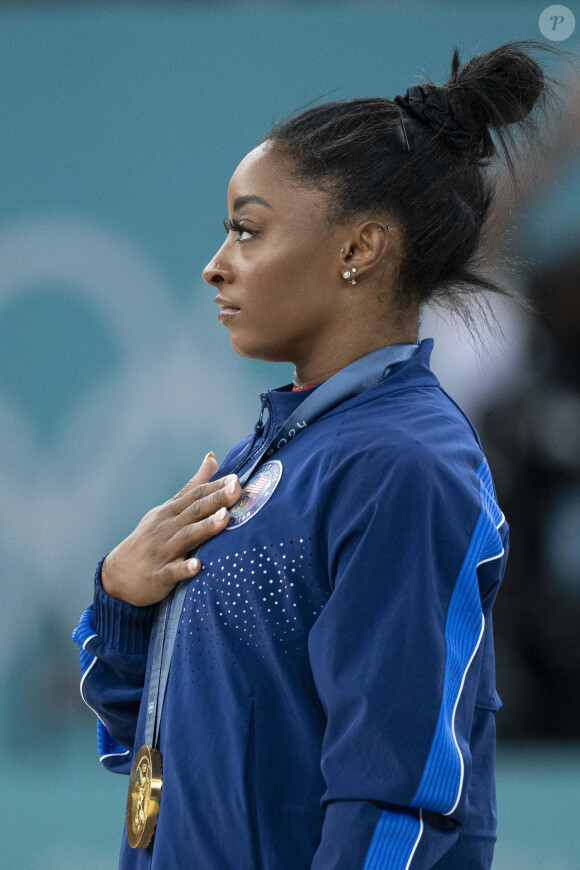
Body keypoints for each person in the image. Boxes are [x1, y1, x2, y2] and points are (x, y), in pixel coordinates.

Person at [73, 40, 554, 870]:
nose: (215, 265)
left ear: (359, 249)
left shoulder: (404, 467)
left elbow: (396, 790)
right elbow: (156, 740)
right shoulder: (273, 453)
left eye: (247, 231)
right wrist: (121, 595)